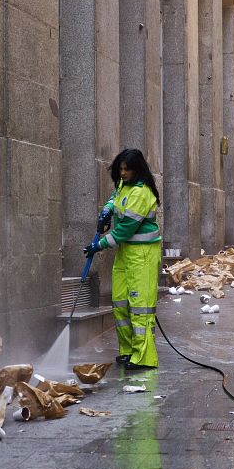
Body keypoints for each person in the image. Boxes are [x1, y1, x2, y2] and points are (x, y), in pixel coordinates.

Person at [83, 149, 161, 370]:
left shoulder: (142, 193)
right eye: (121, 169)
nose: (123, 172)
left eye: (127, 169)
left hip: (142, 255)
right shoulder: (124, 185)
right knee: (120, 303)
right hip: (126, 253)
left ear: (138, 169)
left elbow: (125, 229)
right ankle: (128, 351)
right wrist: (107, 210)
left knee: (139, 306)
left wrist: (98, 245)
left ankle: (144, 357)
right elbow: (114, 197)